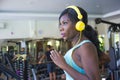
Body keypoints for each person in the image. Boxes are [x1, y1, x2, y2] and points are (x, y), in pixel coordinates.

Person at [50, 5, 101, 80]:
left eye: (65, 23)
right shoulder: (77, 46)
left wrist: (64, 65)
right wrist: (67, 75)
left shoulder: (85, 47)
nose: (61, 28)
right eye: (60, 24)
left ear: (79, 25)